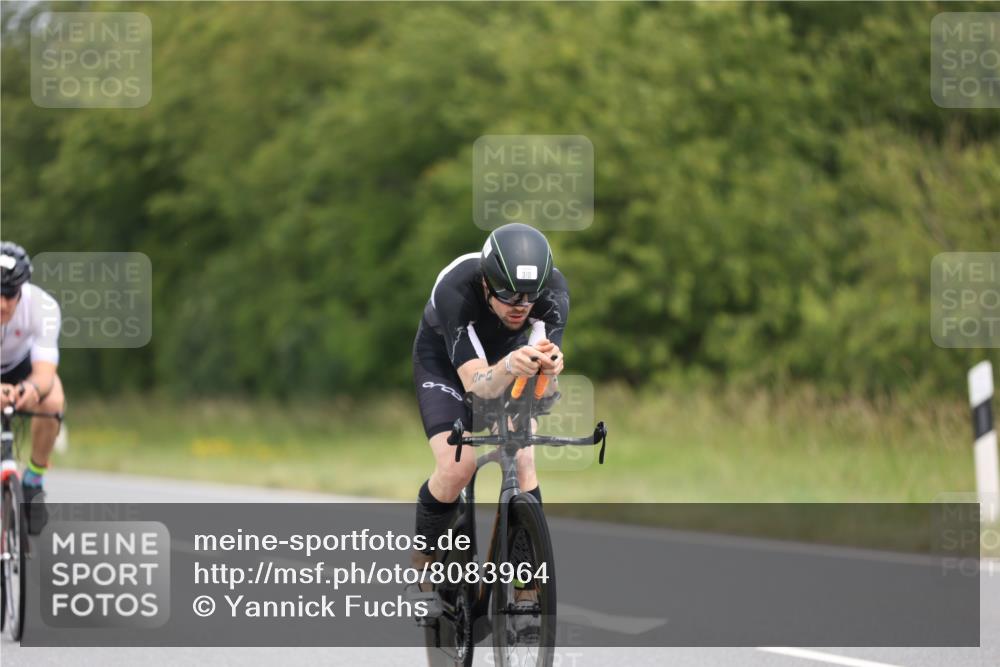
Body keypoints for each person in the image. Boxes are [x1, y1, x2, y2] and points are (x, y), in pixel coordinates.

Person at [410, 222, 569, 575]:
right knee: (457, 467)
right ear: (486, 283)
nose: (521, 307)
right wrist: (512, 364)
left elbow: (548, 393)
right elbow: (478, 386)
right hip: (446, 364)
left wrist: (550, 376)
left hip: (508, 361)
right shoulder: (457, 287)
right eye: (509, 296)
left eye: (530, 297)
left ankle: (529, 592)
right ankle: (421, 566)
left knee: (524, 459)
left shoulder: (553, 291)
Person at [0, 241, 64, 535]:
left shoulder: (43, 307)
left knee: (52, 405)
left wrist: (31, 390)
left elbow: (45, 374)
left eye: (10, 294)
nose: (2, 303)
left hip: (23, 366)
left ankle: (33, 481)